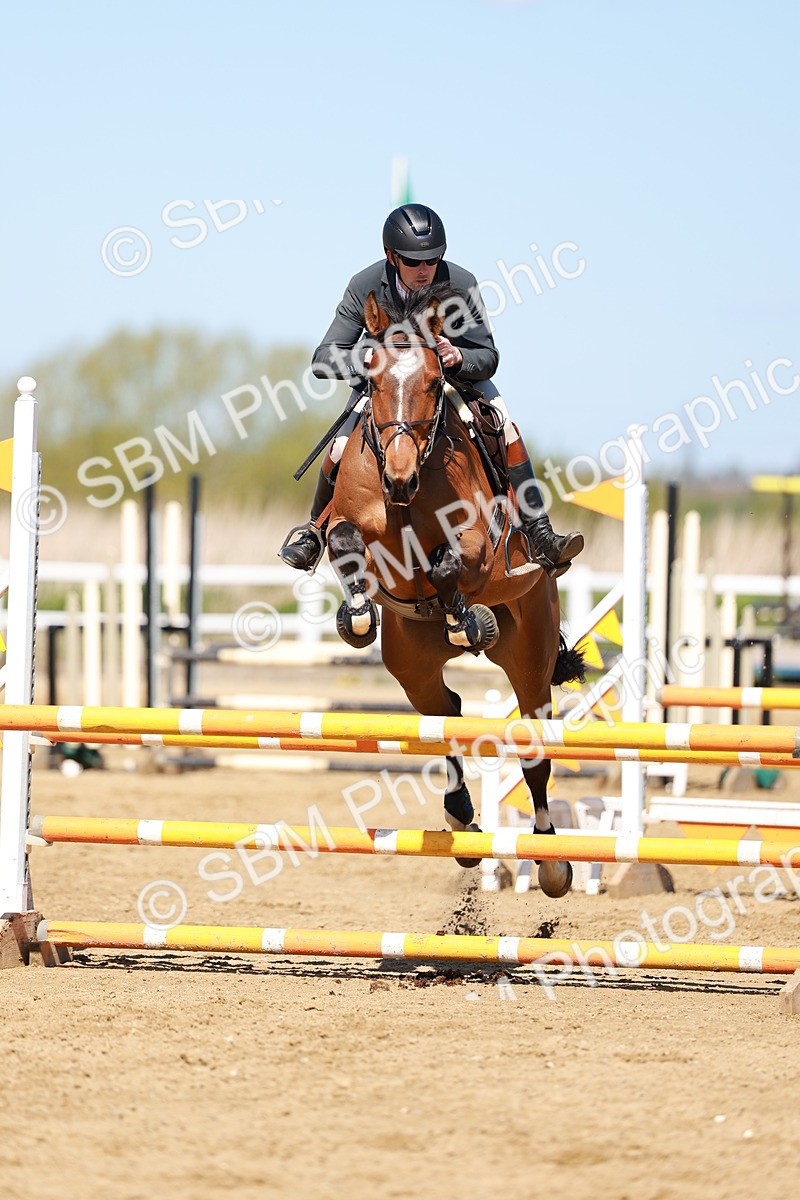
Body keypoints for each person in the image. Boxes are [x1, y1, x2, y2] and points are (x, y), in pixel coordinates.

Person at [279, 203, 583, 578]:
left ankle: (539, 532)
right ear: (391, 256)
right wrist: (372, 358)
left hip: (450, 379)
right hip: (386, 386)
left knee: (506, 426)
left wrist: (457, 355)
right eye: (413, 261)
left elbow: (487, 355)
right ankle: (314, 531)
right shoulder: (365, 285)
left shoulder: (462, 282)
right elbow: (324, 359)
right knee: (342, 444)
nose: (425, 270)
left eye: (433, 259)